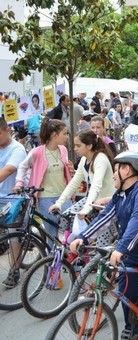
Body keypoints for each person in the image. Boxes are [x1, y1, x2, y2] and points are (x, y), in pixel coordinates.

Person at [69, 152, 138, 340]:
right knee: (126, 290)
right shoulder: (121, 194)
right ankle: (134, 329)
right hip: (132, 250)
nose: (113, 175)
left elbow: (136, 225)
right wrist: (83, 237)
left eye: (115, 171)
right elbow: (105, 216)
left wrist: (121, 248)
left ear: (127, 171)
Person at [14, 119, 72, 246]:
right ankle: (51, 262)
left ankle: (69, 261)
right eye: (65, 133)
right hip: (45, 198)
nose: (67, 137)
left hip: (64, 196)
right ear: (54, 135)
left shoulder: (63, 150)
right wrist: (19, 184)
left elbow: (66, 169)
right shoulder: (37, 152)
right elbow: (22, 166)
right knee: (51, 233)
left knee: (70, 230)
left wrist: (70, 169)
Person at [48, 129, 114, 219]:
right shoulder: (84, 160)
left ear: (89, 146)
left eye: (78, 146)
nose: (75, 149)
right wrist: (59, 203)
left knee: (89, 231)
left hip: (105, 204)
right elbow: (74, 183)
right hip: (92, 200)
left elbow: (96, 186)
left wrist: (86, 208)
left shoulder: (100, 159)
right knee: (66, 218)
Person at [0, 117, 27, 288]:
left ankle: (14, 269)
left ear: (7, 130)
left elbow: (9, 169)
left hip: (12, 198)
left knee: (14, 235)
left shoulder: (17, 149)